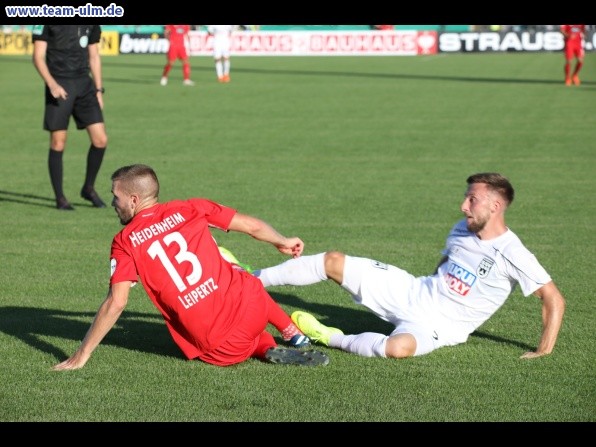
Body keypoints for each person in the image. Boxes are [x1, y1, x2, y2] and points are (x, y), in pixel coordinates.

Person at [254, 173, 566, 360]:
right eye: (465, 198)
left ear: (495, 206)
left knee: (397, 349)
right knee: (332, 261)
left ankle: (328, 336)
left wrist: (544, 350)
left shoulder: (514, 253)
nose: (463, 206)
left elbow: (553, 298)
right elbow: (446, 261)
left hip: (441, 328)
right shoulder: (462, 228)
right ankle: (250, 280)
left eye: (472, 200)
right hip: (413, 291)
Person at [52, 164, 328, 371]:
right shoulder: (191, 207)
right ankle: (288, 331)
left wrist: (82, 354)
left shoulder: (125, 241)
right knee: (236, 271)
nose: (114, 203)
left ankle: (263, 347)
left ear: (134, 200)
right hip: (255, 310)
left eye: (116, 197)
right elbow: (253, 227)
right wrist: (283, 241)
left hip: (221, 350)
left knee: (232, 334)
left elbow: (117, 302)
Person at [32, 25, 108, 210]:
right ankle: (60, 198)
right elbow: (38, 57)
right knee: (58, 142)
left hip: (85, 85)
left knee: (100, 140)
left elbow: (94, 56)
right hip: (59, 84)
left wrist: (98, 89)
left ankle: (88, 188)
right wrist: (52, 84)